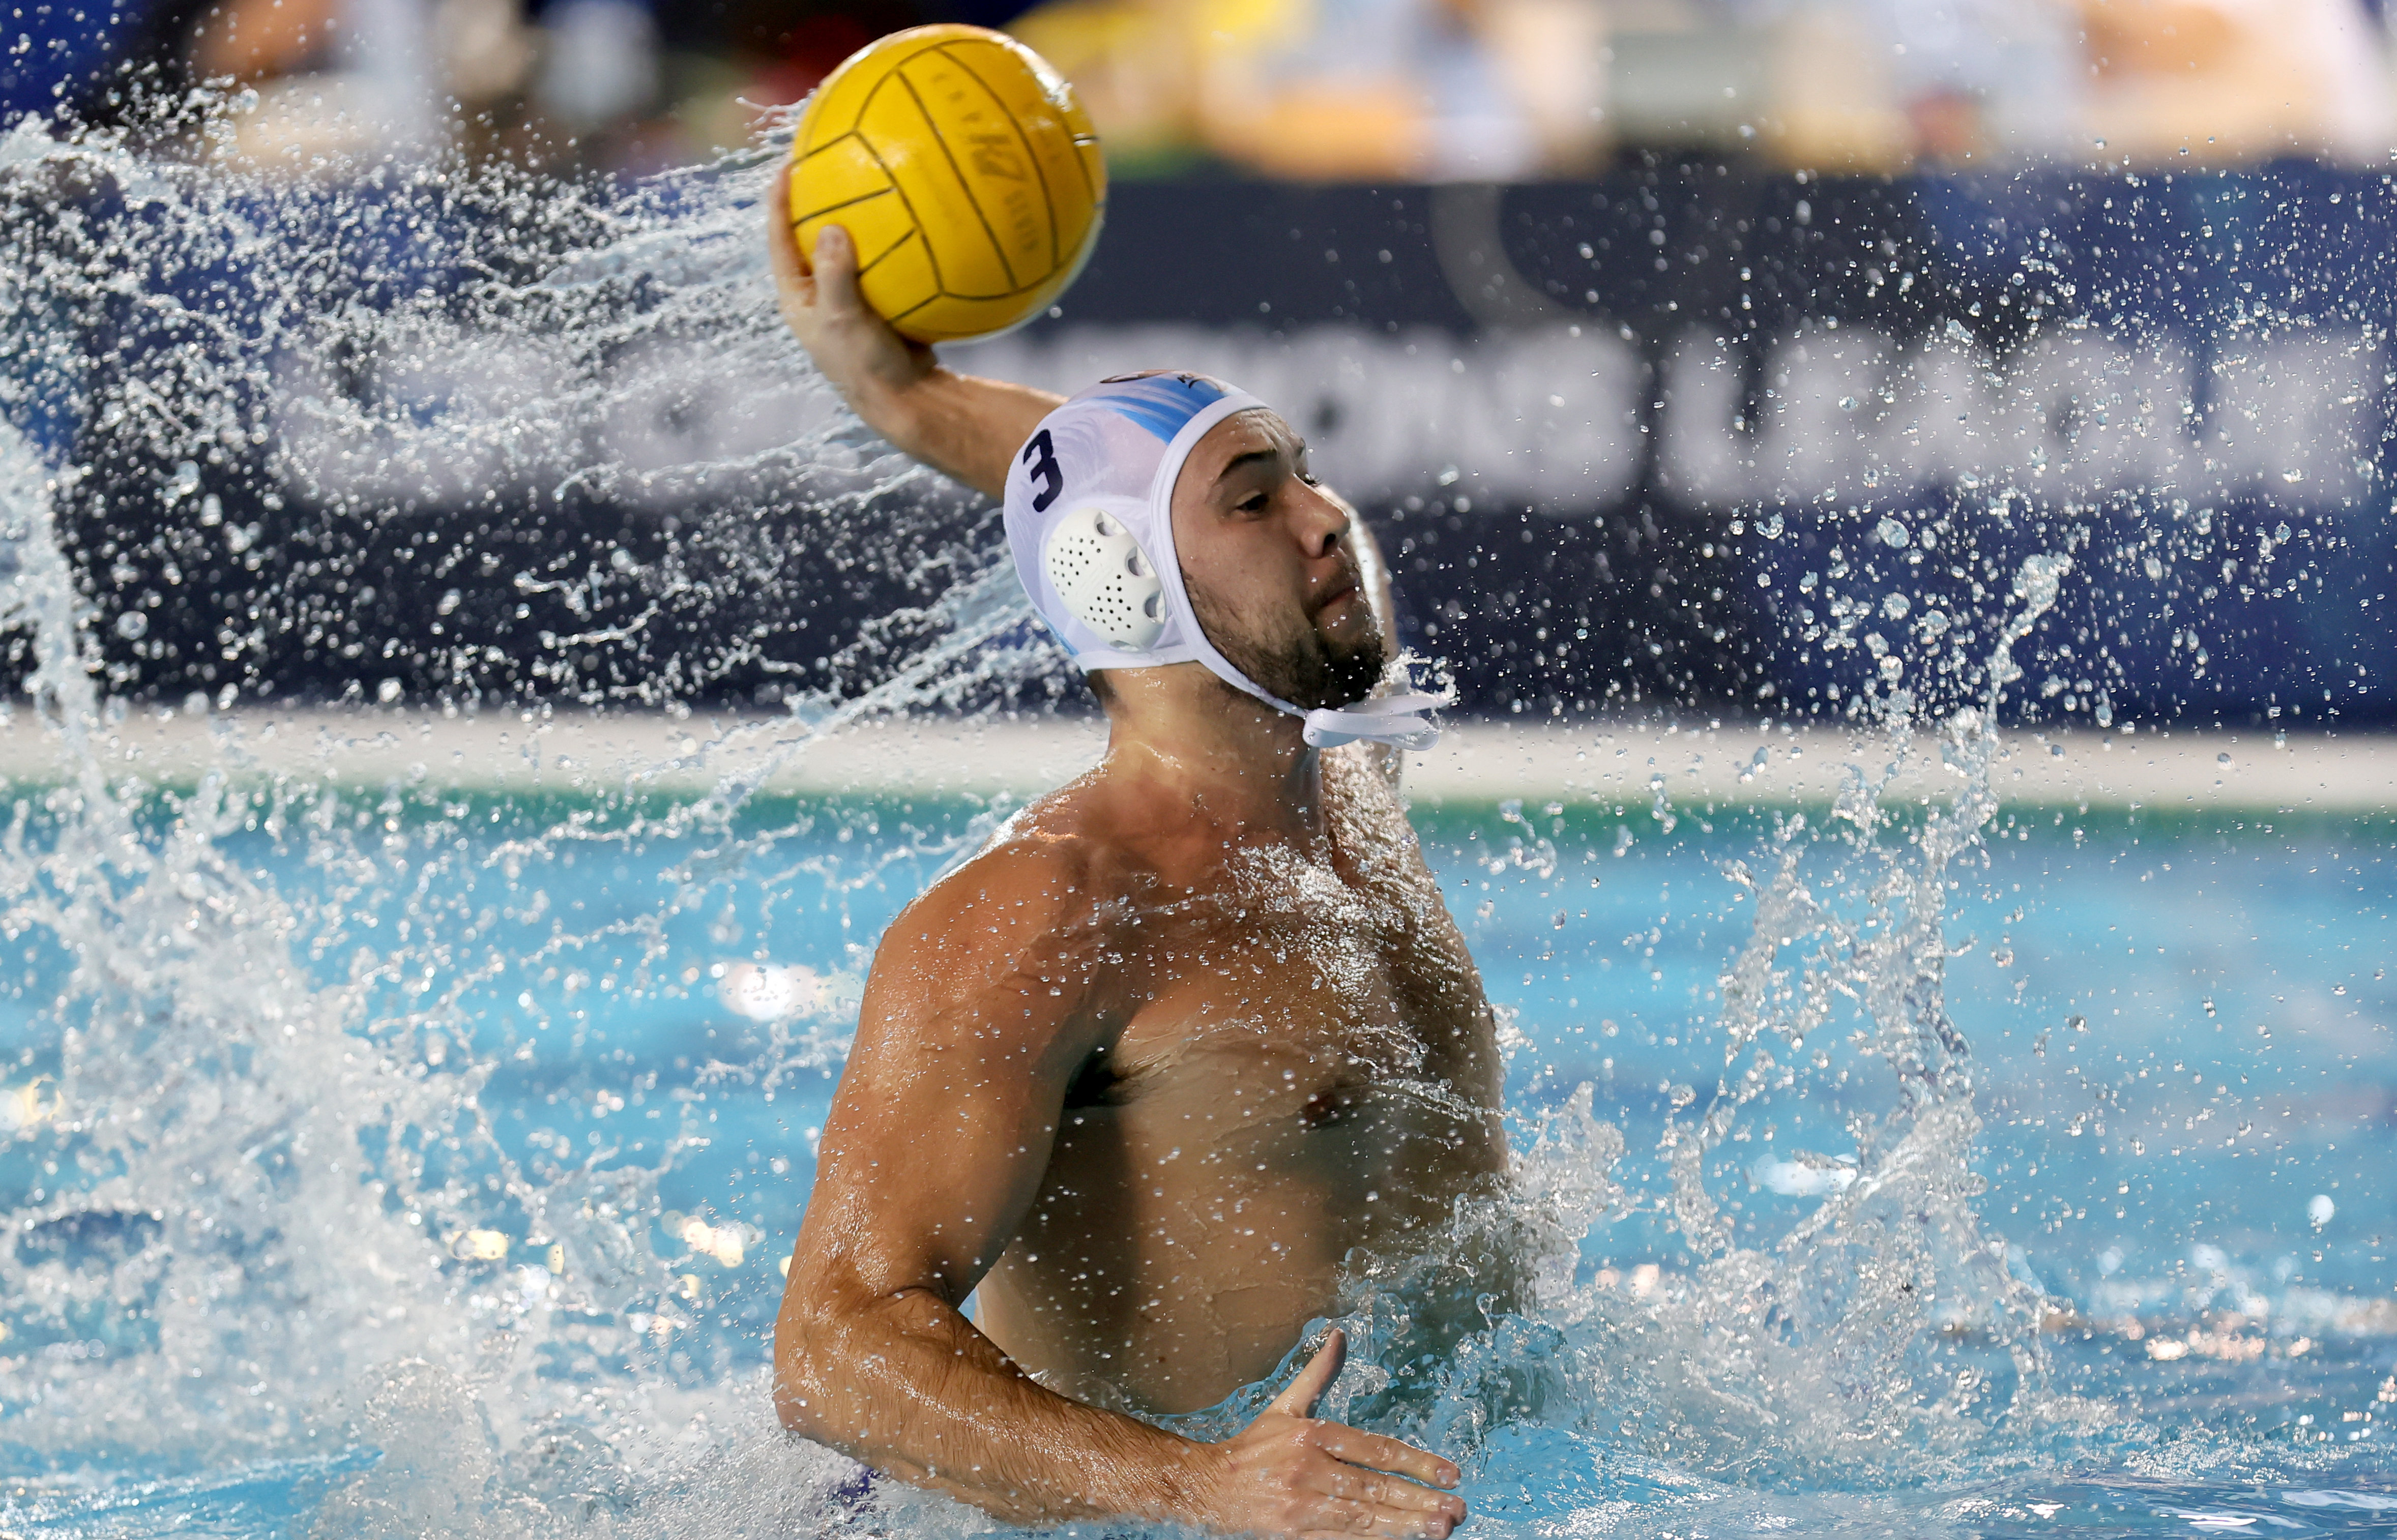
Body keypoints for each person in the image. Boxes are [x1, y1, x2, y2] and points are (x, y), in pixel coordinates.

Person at [765, 177, 1508, 1538]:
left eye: (1303, 472)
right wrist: (1205, 1488)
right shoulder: (1047, 917)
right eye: (1255, 498)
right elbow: (831, 1348)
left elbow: (1116, 505)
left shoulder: (1344, 772)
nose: (1327, 518)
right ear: (1129, 588)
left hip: (1417, 1480)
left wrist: (911, 403)